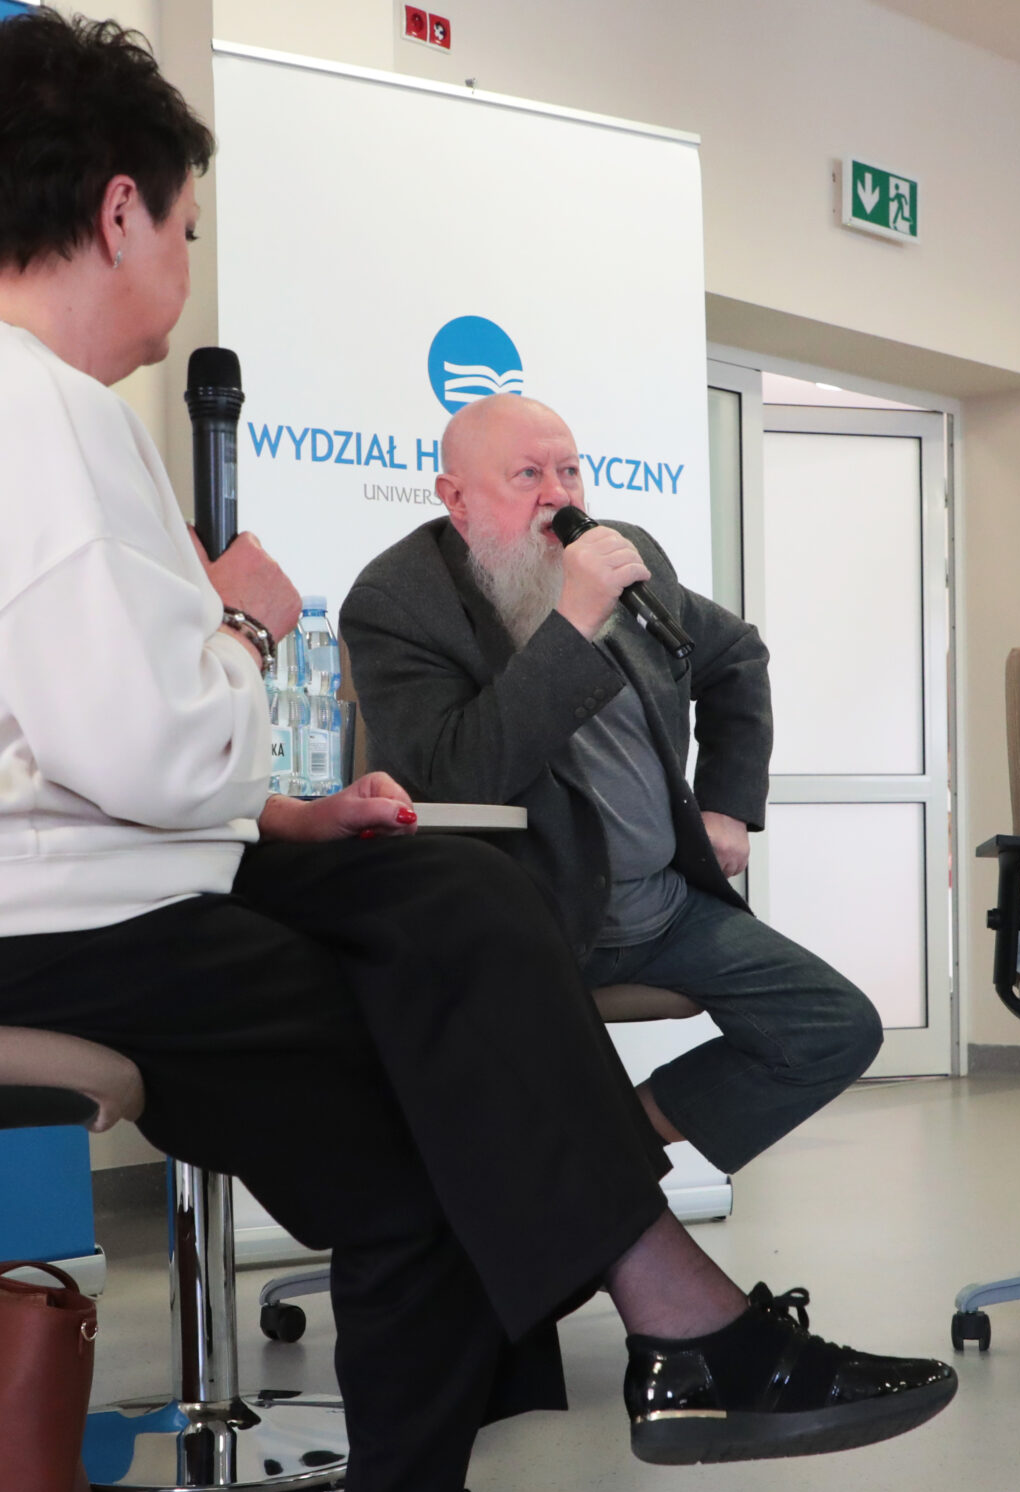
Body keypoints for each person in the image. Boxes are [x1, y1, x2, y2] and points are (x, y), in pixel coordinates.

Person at [0, 10, 953, 1492]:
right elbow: (147, 747)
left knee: (454, 897)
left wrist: (280, 807)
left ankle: (667, 1342)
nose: (182, 267)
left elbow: (70, 737)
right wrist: (243, 626)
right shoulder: (31, 415)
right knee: (434, 1113)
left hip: (11, 882)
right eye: (185, 229)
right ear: (118, 211)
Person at [342, 393, 884, 1177]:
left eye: (569, 471)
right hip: (531, 917)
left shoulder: (623, 553)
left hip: (667, 908)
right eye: (527, 475)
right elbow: (458, 775)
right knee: (481, 1115)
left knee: (835, 1026)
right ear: (455, 497)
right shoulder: (399, 600)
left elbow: (733, 655)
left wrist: (727, 805)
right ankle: (567, 1192)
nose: (557, 495)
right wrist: (572, 619)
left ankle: (610, 1144)